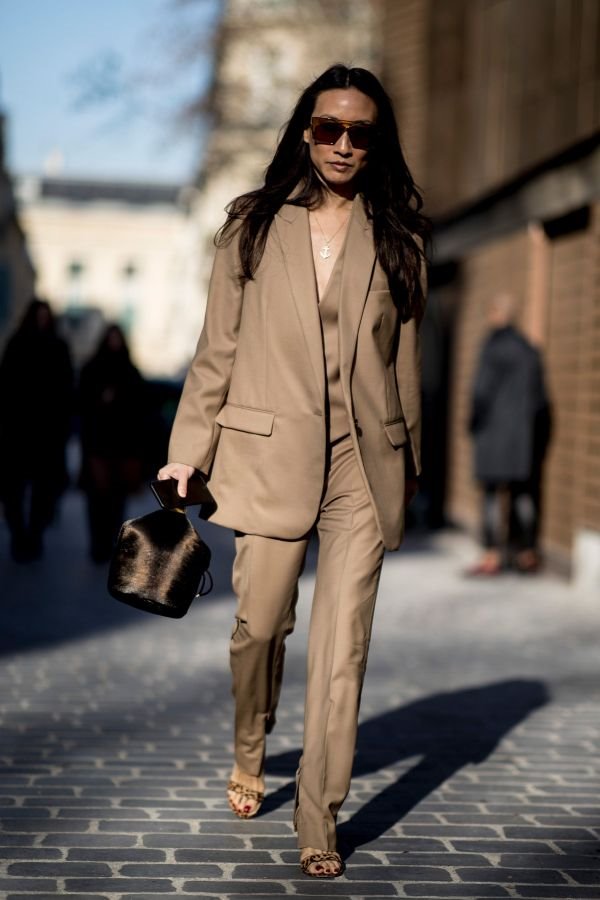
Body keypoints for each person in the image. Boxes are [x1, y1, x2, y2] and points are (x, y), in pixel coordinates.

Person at [158, 64, 429, 877]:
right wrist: (187, 448)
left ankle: (320, 816)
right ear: (304, 132)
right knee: (262, 627)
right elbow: (218, 353)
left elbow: (404, 361)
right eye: (328, 129)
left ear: (376, 143)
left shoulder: (398, 236)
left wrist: (409, 459)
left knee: (343, 647)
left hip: (361, 461)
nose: (343, 145)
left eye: (360, 133)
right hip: (269, 453)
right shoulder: (252, 225)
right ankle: (251, 745)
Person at [467, 292, 551, 575]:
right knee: (523, 493)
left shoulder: (491, 347)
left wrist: (473, 423)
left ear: (495, 314)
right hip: (522, 436)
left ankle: (492, 555)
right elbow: (540, 401)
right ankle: (527, 552)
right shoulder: (529, 350)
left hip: (493, 433)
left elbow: (481, 392)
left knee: (491, 494)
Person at [0, 298, 73, 561]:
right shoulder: (17, 344)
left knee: (44, 492)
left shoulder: (58, 347)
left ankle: (34, 536)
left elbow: (66, 392)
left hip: (48, 436)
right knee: (13, 491)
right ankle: (19, 536)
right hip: (18, 433)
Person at [78, 324, 148, 562]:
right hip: (98, 447)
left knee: (116, 501)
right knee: (97, 499)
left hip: (123, 448)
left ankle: (110, 542)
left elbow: (141, 412)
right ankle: (97, 544)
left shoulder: (130, 372)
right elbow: (82, 408)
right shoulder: (92, 370)